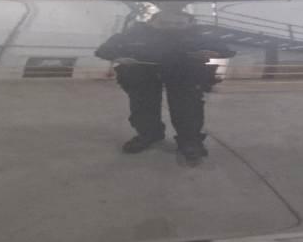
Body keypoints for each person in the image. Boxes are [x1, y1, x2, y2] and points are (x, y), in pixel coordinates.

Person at [95, 9, 234, 166]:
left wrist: (213, 52)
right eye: (164, 23)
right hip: (144, 73)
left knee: (187, 108)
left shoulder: (199, 35)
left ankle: (189, 141)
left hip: (184, 73)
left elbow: (226, 50)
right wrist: (118, 57)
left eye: (179, 24)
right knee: (143, 106)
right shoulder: (134, 33)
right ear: (151, 22)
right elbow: (103, 50)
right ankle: (148, 135)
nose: (171, 27)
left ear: (190, 24)